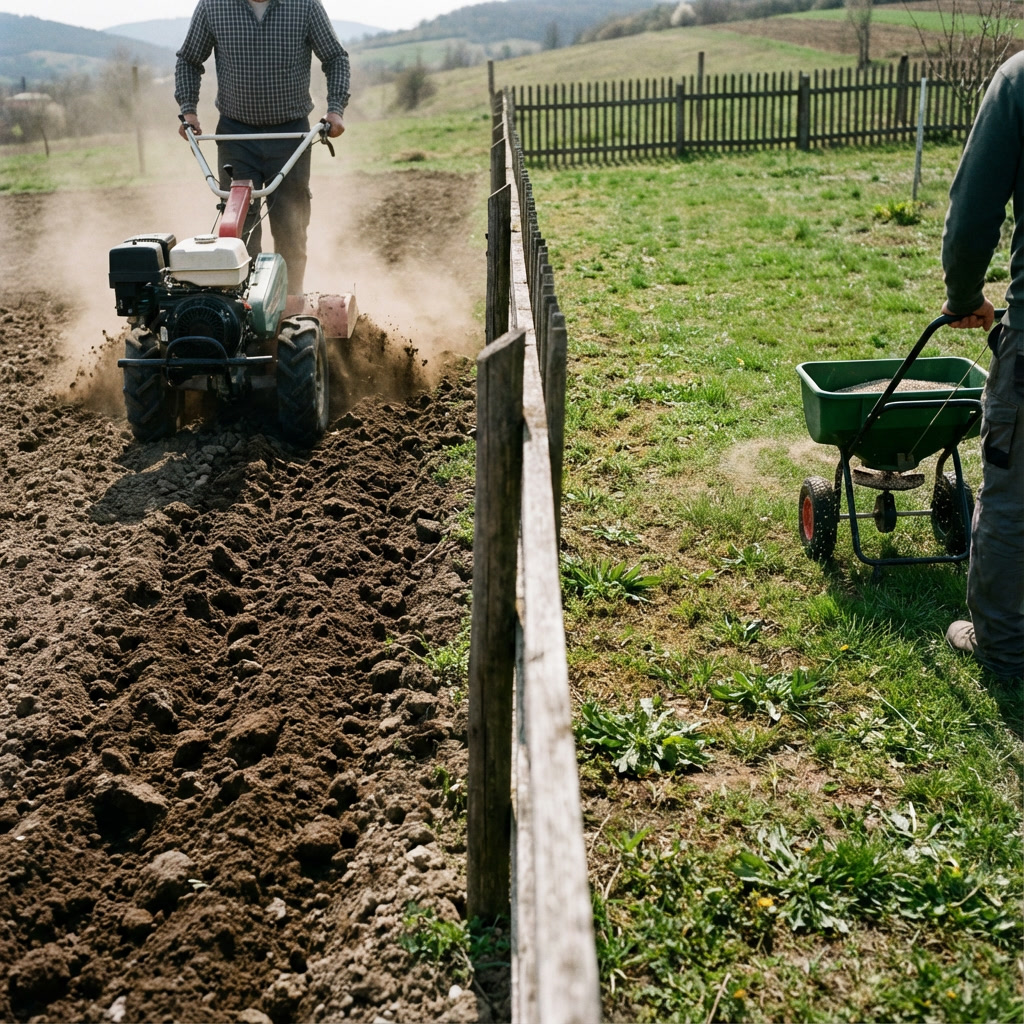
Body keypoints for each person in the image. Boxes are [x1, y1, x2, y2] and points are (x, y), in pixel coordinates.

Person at [940, 50, 1024, 681]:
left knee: (1010, 492)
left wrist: (966, 297)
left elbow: (974, 213)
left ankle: (1000, 643)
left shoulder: (1019, 79)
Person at [174, 0, 350, 296]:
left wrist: (335, 110)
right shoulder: (213, 6)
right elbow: (189, 60)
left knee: (291, 231)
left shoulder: (304, 6)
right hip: (236, 136)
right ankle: (244, 311)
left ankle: (290, 305)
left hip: (290, 135)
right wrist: (188, 110)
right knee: (239, 232)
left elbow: (335, 58)